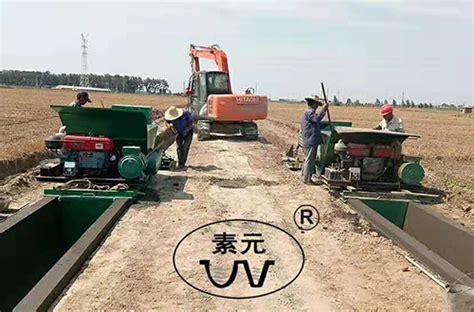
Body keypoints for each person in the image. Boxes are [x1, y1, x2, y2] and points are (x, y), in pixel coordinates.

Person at [301, 96, 328, 184]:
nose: (317, 106)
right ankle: (306, 179)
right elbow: (316, 119)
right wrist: (323, 110)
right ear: (313, 104)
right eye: (316, 104)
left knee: (308, 159)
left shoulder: (309, 112)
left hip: (310, 139)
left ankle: (306, 177)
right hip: (310, 140)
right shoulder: (309, 112)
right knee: (309, 160)